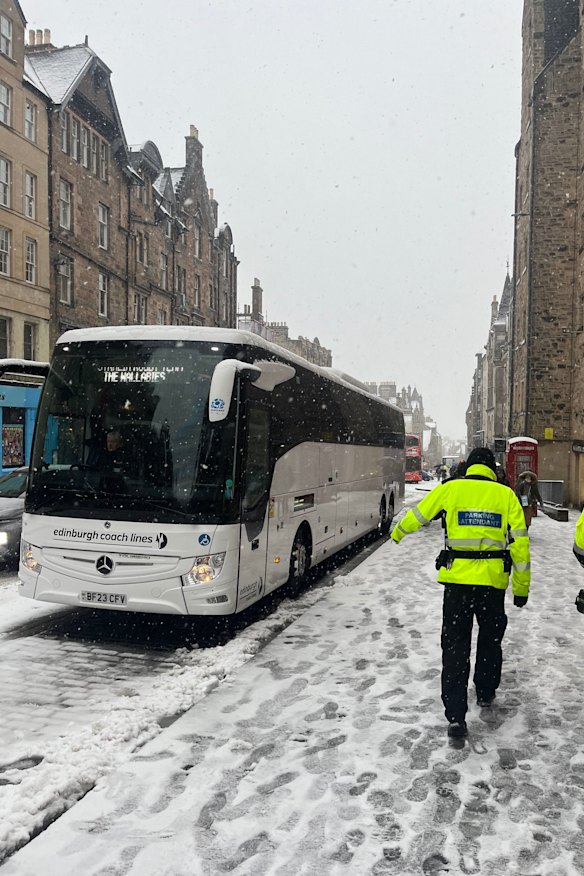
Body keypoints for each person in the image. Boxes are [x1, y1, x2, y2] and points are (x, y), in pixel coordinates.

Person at [391, 446, 530, 739]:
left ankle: (455, 715)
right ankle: (485, 691)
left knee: (454, 646)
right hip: (492, 584)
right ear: (492, 469)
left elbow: (420, 513)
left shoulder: (452, 489)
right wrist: (521, 587)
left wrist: (398, 532)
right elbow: (519, 545)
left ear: (469, 467)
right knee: (490, 640)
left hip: (457, 585)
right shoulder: (506, 496)